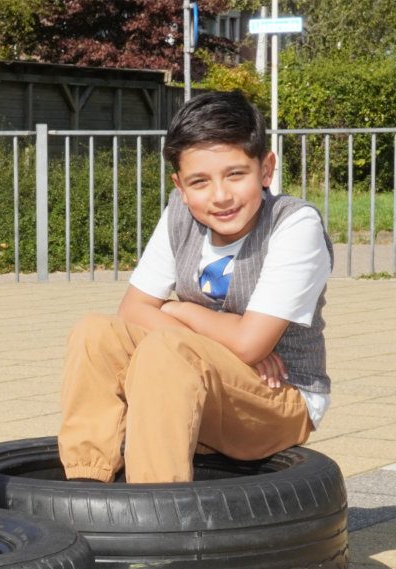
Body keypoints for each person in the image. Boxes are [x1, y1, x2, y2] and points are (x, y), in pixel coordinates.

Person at [58, 90, 333, 484]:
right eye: (199, 182)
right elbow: (131, 312)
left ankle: (158, 507)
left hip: (279, 398)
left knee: (168, 349)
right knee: (96, 333)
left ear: (266, 169)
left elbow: (251, 345)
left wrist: (177, 310)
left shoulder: (294, 225)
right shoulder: (180, 214)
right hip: (204, 386)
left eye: (235, 174)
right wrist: (229, 343)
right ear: (181, 186)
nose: (220, 196)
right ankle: (86, 485)